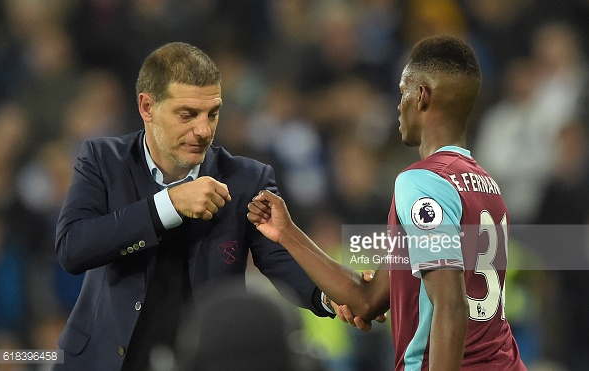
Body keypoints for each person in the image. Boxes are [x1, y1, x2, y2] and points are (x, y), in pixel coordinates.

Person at [53, 42, 339, 371]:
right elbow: (73, 247)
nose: (203, 130)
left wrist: (331, 294)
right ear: (147, 107)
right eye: (187, 114)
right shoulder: (102, 161)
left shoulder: (247, 178)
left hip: (202, 361)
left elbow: (279, 260)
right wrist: (168, 205)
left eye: (212, 113)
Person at [248, 35, 527, 370]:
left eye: (402, 91)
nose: (398, 105)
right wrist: (287, 232)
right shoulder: (487, 186)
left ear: (421, 96)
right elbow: (367, 300)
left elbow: (449, 306)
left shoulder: (422, 181)